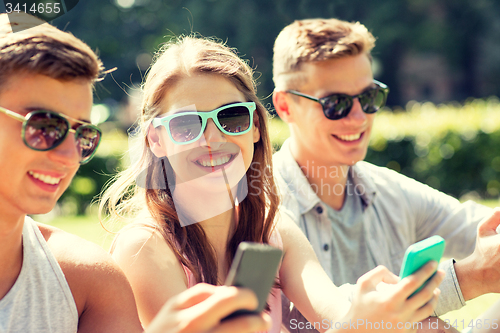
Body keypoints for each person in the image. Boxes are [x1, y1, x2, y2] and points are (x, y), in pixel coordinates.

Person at [102, 35, 446, 333]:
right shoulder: (145, 249)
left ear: (254, 126)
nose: (212, 138)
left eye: (231, 117)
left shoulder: (271, 226)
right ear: (156, 140)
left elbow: (335, 318)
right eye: (186, 126)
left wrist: (371, 314)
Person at [0, 12, 273, 333]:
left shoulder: (88, 278)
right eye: (45, 127)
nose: (69, 155)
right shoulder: (137, 251)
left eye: (82, 135)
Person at [271, 17, 500, 331]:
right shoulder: (262, 207)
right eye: (335, 104)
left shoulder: (386, 188)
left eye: (369, 98)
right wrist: (469, 279)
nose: (358, 117)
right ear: (285, 107)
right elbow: (312, 322)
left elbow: (473, 222)